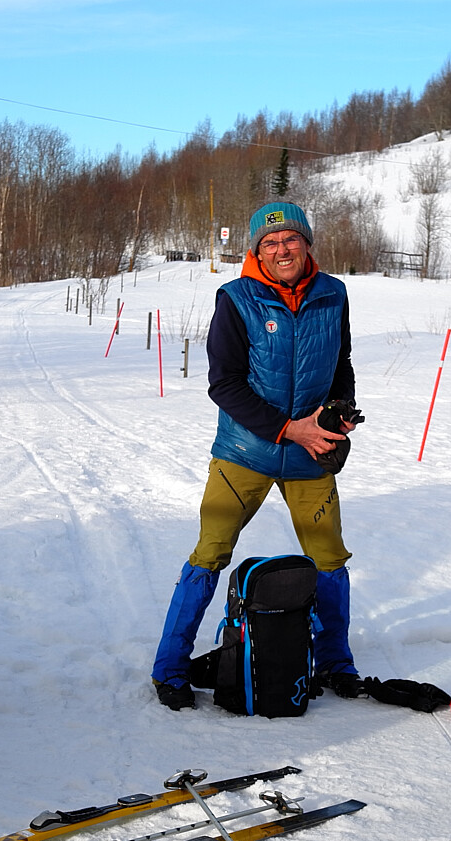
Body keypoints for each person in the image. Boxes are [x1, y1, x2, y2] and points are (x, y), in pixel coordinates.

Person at [151, 201, 364, 711]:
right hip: (244, 453)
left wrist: (339, 412)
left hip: (310, 453)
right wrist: (290, 429)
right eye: (269, 243)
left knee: (330, 559)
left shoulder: (334, 294)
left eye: (290, 239)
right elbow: (223, 384)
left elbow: (341, 362)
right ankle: (169, 668)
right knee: (209, 554)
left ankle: (336, 662)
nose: (281, 249)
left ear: (306, 243)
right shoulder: (236, 299)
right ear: (257, 252)